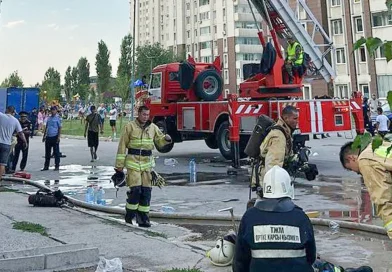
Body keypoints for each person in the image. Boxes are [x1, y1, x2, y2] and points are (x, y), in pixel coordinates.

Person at [233, 166, 316, 272]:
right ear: (289, 188)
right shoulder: (301, 218)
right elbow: (311, 257)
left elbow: (240, 262)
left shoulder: (249, 217)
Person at [115, 106, 172, 227]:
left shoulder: (153, 127)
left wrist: (166, 139)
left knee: (146, 192)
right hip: (133, 163)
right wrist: (119, 166)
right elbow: (122, 146)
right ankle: (130, 214)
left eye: (147, 115)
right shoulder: (129, 127)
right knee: (136, 190)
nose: (146, 117)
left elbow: (159, 141)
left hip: (147, 165)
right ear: (138, 114)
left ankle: (143, 218)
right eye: (144, 114)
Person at [340, 142, 392, 239]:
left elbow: (383, 201)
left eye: (351, 169)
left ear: (351, 158)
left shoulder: (365, 161)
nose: (356, 173)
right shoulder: (377, 146)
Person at [251, 106, 299, 194]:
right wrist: (274, 189)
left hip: (266, 180)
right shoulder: (278, 137)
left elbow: (286, 156)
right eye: (295, 118)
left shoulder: (284, 131)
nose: (297, 121)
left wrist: (302, 164)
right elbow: (273, 166)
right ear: (286, 118)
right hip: (267, 183)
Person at [0, 106, 27, 181]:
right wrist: (25, 141)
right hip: (6, 144)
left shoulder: (1, 116)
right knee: (2, 164)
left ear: (6, 110)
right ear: (13, 112)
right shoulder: (15, 121)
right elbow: (21, 133)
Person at [41, 106, 62, 171]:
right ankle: (46, 166)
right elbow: (47, 127)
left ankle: (57, 166)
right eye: (52, 110)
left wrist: (58, 137)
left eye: (54, 110)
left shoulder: (58, 118)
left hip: (55, 136)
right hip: (48, 137)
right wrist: (44, 136)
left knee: (56, 152)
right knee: (47, 152)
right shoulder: (49, 118)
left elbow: (60, 128)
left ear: (56, 111)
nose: (52, 111)